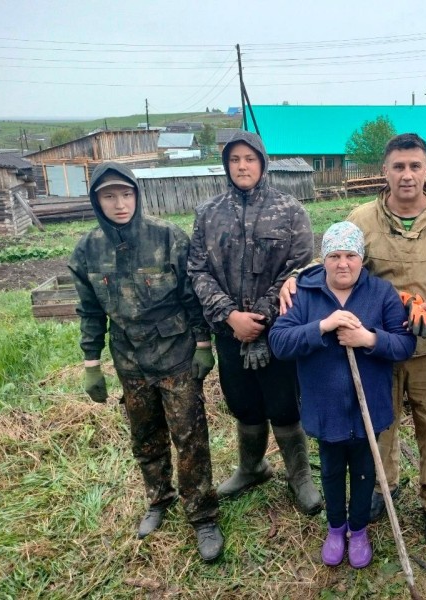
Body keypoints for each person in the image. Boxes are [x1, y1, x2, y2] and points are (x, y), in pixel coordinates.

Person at [281, 133, 426, 544]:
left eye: (415, 166)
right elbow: (337, 259)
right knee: (379, 424)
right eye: (398, 167)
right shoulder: (362, 217)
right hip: (372, 345)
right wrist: (297, 278)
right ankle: (385, 488)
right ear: (384, 171)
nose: (406, 175)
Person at [68, 162, 223, 562]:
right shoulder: (87, 250)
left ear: (136, 196)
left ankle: (203, 515)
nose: (119, 204)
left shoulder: (167, 237)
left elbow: (192, 296)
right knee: (145, 435)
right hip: (129, 359)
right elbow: (89, 311)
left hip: (175, 355)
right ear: (96, 201)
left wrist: (203, 343)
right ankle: (159, 499)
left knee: (189, 437)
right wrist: (91, 364)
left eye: (126, 194)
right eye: (109, 196)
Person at [187, 131, 322, 516]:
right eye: (234, 160)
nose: (242, 166)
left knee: (283, 404)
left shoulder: (290, 209)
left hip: (279, 330)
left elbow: (299, 269)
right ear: (227, 166)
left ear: (262, 162)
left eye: (249, 158)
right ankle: (252, 467)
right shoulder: (208, 213)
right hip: (228, 330)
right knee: (243, 403)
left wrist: (261, 320)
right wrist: (230, 316)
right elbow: (197, 270)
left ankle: (300, 476)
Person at [270, 222, 415, 569]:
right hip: (326, 406)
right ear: (323, 259)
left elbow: (405, 343)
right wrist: (322, 326)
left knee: (365, 470)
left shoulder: (381, 293)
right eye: (334, 256)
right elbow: (279, 342)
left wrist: (368, 339)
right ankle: (336, 529)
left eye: (350, 255)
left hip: (369, 407)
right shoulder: (305, 294)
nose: (343, 264)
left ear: (361, 258)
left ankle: (359, 530)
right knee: (332, 471)